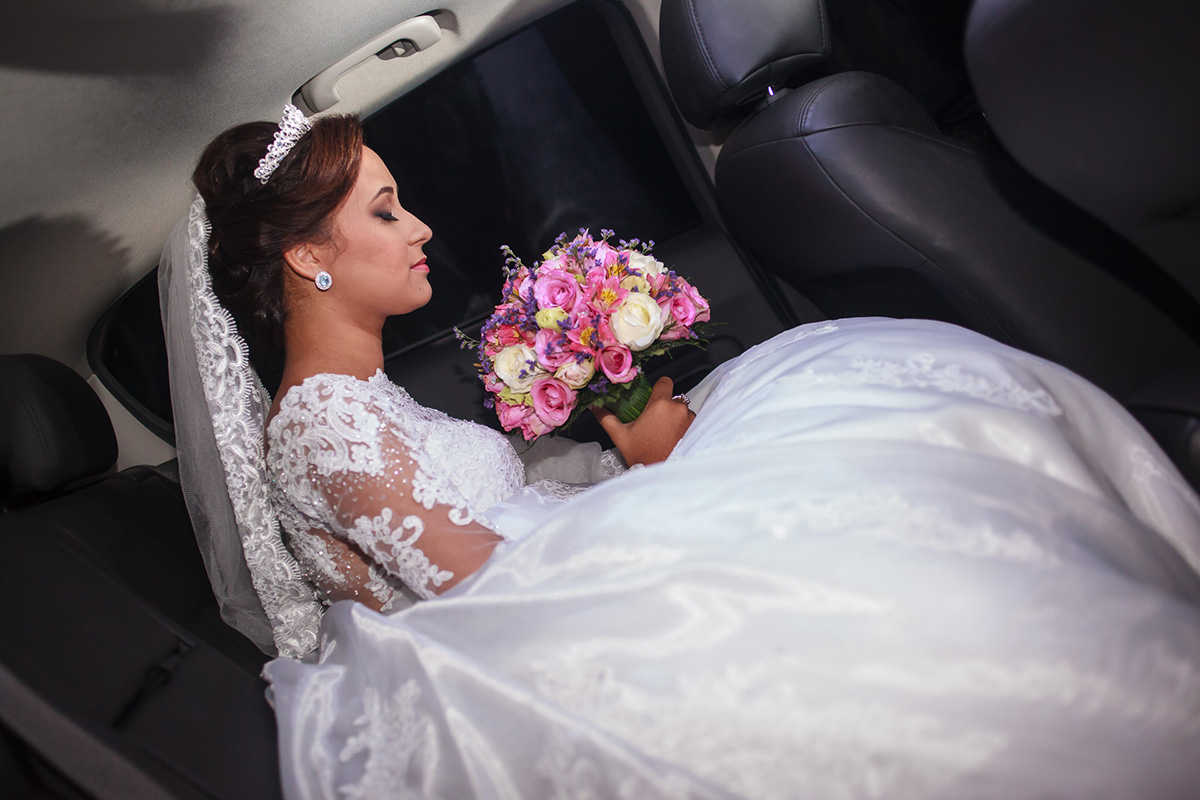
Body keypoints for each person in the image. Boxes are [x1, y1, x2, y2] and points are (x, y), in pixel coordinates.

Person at [163, 107, 1200, 798]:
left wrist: (630, 461)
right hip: (505, 639)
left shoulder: (361, 397)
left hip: (535, 568)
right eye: (385, 210)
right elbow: (485, 585)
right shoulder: (316, 421)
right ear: (308, 255)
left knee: (855, 411)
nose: (421, 226)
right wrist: (658, 494)